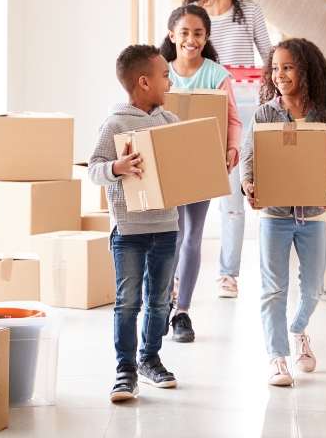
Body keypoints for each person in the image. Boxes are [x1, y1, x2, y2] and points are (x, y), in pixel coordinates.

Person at [239, 38, 326, 386]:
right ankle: (277, 357)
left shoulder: (324, 116)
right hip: (274, 213)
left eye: (287, 67)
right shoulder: (265, 114)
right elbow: (249, 157)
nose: (279, 75)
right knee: (273, 289)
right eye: (275, 68)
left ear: (306, 70)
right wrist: (248, 184)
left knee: (314, 288)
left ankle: (298, 330)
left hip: (312, 214)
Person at [89, 44, 181, 402]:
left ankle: (150, 358)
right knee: (128, 301)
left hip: (167, 225)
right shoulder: (115, 123)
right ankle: (125, 369)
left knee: (159, 301)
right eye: (164, 75)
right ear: (144, 82)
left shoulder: (169, 121)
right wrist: (118, 167)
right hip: (129, 231)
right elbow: (95, 168)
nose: (169, 80)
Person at [184, 0, 273, 298]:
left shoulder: (249, 11)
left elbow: (269, 58)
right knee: (187, 192)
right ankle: (179, 272)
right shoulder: (193, 17)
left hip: (244, 110)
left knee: (232, 196)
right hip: (203, 109)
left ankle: (228, 274)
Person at [159, 4, 243, 343]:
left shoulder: (216, 75)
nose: (191, 40)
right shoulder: (160, 70)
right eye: (184, 33)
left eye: (198, 34)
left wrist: (231, 151)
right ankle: (162, 303)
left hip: (203, 163)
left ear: (206, 37)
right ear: (172, 36)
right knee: (171, 237)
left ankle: (183, 312)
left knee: (192, 236)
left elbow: (233, 120)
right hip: (167, 164)